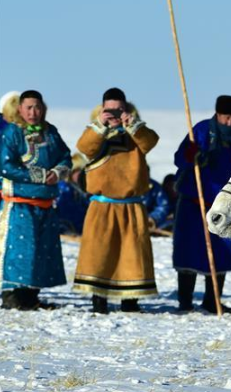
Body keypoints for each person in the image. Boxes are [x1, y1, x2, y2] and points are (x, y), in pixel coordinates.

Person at [72, 88, 159, 314]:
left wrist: (134, 125)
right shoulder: (95, 132)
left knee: (132, 254)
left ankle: (130, 301)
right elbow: (84, 148)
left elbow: (150, 143)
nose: (115, 114)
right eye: (110, 109)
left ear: (126, 109)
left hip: (131, 204)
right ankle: (98, 300)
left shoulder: (135, 133)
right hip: (102, 205)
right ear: (102, 109)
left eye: (119, 109)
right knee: (99, 254)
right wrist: (100, 124)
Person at [173, 95, 231, 313]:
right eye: (226, 117)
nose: (230, 122)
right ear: (218, 114)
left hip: (226, 206)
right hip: (195, 201)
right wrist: (190, 156)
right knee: (189, 250)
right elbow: (179, 158)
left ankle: (212, 300)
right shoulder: (201, 131)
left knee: (222, 251)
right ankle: (185, 301)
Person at [0, 90, 71, 310]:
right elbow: (6, 166)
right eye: (28, 107)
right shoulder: (12, 133)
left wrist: (58, 172)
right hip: (20, 204)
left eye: (37, 107)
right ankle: (13, 297)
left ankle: (31, 297)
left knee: (42, 252)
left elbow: (65, 156)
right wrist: (38, 176)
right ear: (20, 109)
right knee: (21, 252)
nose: (33, 112)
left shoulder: (51, 132)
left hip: (46, 205)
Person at [56, 153, 90, 235]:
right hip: (69, 231)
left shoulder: (87, 190)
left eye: (81, 172)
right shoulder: (64, 190)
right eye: (75, 172)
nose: (79, 175)